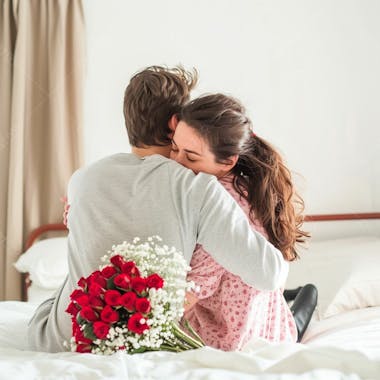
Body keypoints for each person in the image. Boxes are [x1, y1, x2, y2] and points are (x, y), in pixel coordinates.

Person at [27, 66, 289, 353]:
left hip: (59, 339)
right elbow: (268, 274)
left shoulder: (81, 180)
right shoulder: (197, 187)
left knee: (67, 284)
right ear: (175, 123)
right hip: (146, 340)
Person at [170, 93, 316, 349]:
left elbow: (186, 294)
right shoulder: (233, 182)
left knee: (299, 314)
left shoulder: (224, 207)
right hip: (240, 307)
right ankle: (293, 294)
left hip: (246, 335)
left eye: (190, 157)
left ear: (228, 161)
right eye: (174, 148)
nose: (176, 162)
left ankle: (308, 293)